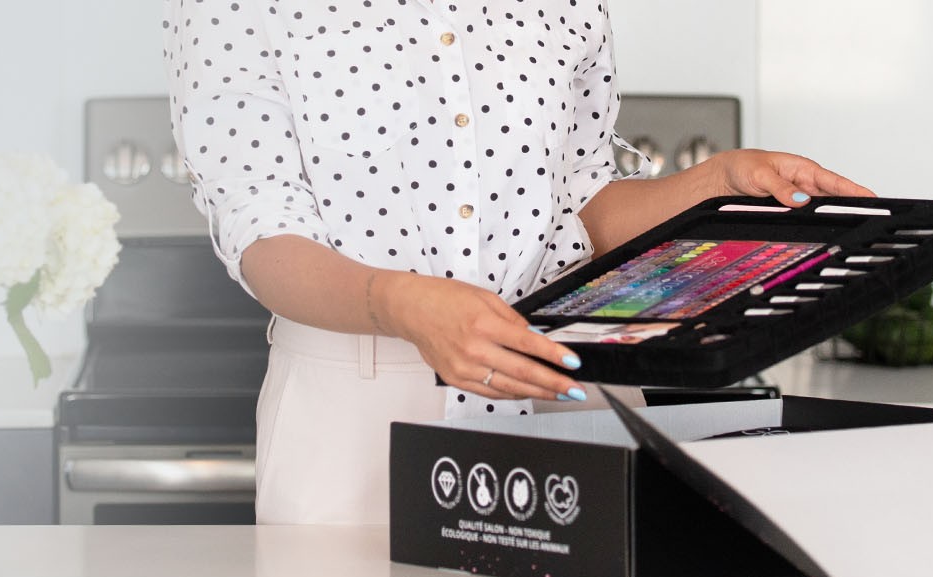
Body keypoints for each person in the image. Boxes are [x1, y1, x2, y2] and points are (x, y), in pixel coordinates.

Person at [161, 0, 875, 525]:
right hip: (357, 416)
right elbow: (264, 235)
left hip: (568, 393)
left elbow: (581, 208)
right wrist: (397, 303)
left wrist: (714, 185)